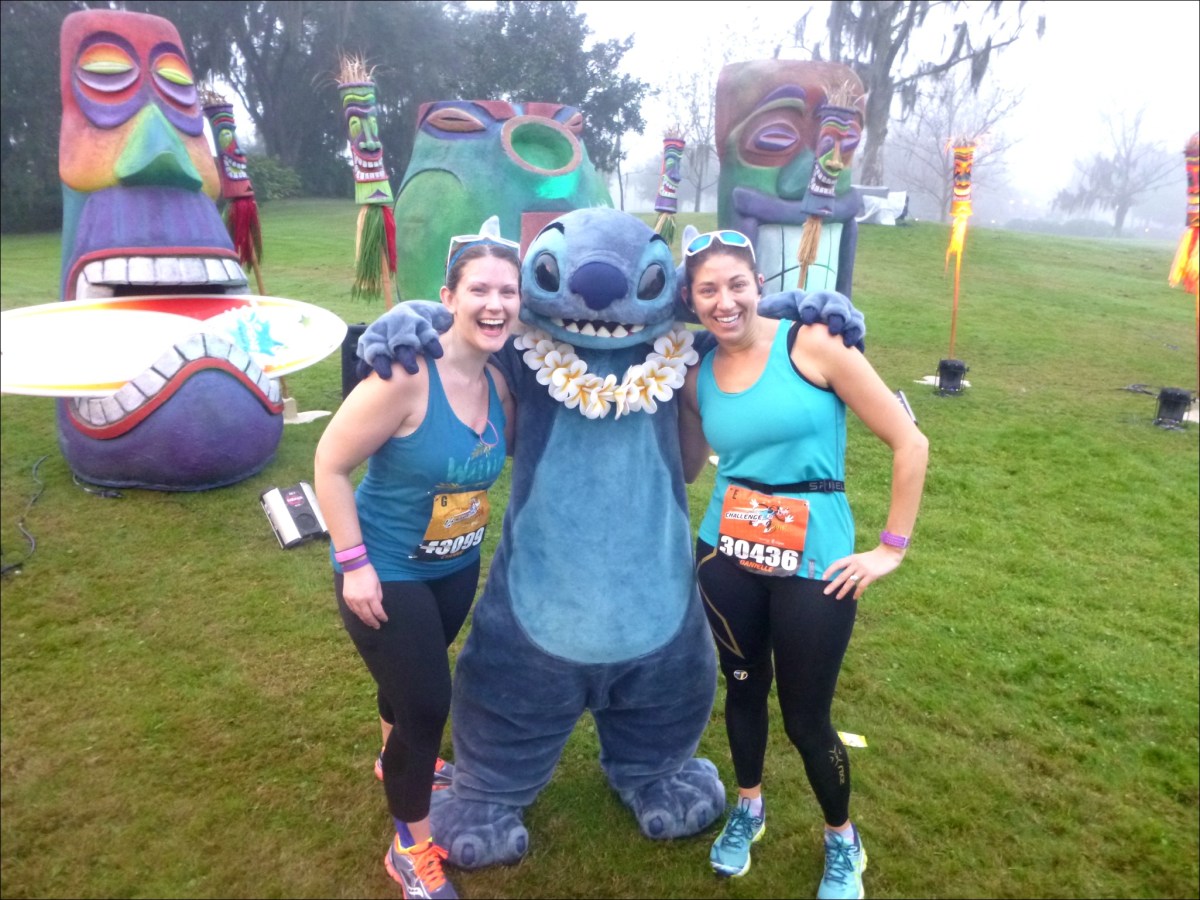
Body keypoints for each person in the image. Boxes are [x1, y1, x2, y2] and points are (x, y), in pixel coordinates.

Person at [677, 230, 928, 899]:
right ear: (691, 301)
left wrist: (890, 549)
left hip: (817, 561)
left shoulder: (813, 344)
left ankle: (842, 838)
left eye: (736, 284)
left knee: (806, 718)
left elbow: (910, 442)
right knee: (742, 687)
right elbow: (692, 464)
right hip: (726, 552)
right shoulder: (697, 374)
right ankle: (749, 806)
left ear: (759, 284)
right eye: (707, 290)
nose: (725, 301)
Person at [313, 227, 520, 899]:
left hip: (453, 567)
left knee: (406, 690)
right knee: (428, 704)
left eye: (508, 291)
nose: (495, 304)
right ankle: (409, 851)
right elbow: (330, 464)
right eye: (480, 289)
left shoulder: (499, 383)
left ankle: (396, 758)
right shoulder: (404, 377)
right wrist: (354, 564)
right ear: (448, 298)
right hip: (386, 569)